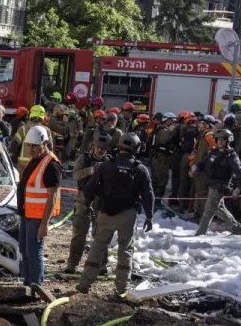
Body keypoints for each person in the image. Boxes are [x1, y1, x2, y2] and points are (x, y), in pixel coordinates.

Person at [78, 131, 155, 298]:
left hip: (105, 213)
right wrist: (149, 216)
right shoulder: (140, 169)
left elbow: (89, 188)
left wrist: (87, 205)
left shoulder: (105, 165)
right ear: (136, 148)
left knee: (97, 246)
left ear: (119, 146)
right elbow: (148, 194)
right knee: (125, 251)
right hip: (128, 214)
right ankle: (121, 289)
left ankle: (84, 284)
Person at [16, 123, 61, 289]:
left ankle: (36, 287)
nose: (31, 149)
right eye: (29, 146)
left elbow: (52, 196)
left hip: (37, 217)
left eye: (35, 146)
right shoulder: (35, 160)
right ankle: (28, 284)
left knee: (34, 253)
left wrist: (44, 224)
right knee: (25, 251)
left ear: (44, 143)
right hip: (27, 214)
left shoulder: (51, 165)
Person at [65, 131, 113, 274]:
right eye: (98, 147)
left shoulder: (110, 161)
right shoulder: (83, 158)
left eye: (103, 148)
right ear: (93, 145)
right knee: (79, 234)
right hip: (83, 200)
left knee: (100, 235)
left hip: (101, 202)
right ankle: (72, 264)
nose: (100, 150)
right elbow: (74, 174)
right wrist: (90, 170)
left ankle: (102, 264)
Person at [194, 129, 241, 236]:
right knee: (219, 208)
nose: (220, 142)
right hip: (211, 184)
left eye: (223, 139)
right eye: (218, 139)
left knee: (208, 211)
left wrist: (238, 188)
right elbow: (204, 163)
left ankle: (200, 234)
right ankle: (237, 228)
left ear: (228, 140)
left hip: (220, 187)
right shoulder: (214, 152)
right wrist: (196, 168)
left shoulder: (232, 156)